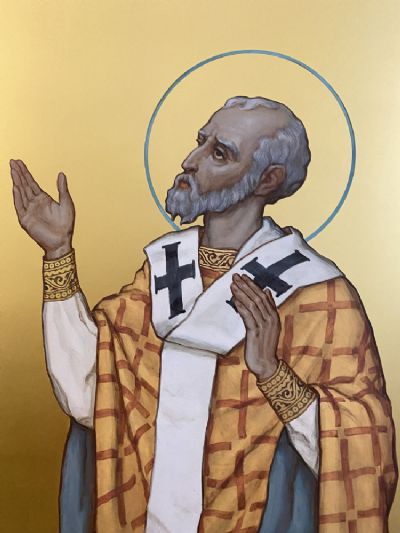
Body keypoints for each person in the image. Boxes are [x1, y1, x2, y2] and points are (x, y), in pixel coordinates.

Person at [10, 96, 397, 533]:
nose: (190, 161)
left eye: (219, 153)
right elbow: (91, 395)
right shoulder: (161, 272)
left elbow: (364, 450)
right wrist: (58, 253)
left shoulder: (320, 297)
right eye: (200, 142)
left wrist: (273, 375)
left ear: (267, 179)